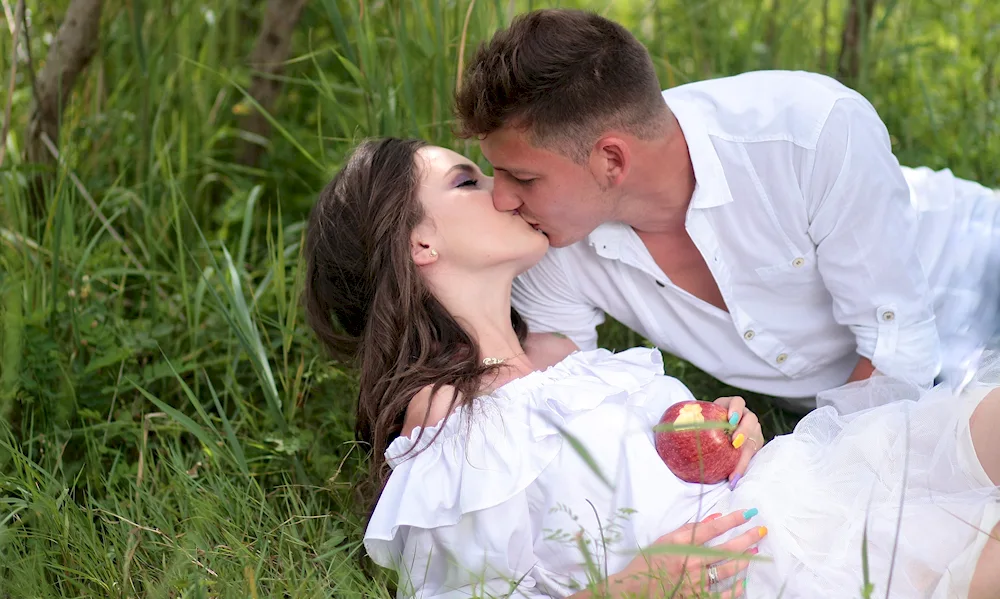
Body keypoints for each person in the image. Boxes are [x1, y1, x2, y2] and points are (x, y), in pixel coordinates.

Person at [303, 137, 1000, 598]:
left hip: (800, 483)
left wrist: (730, 433)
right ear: (418, 241)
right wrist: (633, 586)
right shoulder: (444, 436)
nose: (504, 191)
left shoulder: (568, 359)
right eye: (467, 180)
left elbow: (667, 466)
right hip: (763, 569)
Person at [453, 9, 1000, 412]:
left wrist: (795, 467)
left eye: (523, 177)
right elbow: (569, 397)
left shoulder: (809, 133)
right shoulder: (548, 240)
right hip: (902, 398)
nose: (501, 199)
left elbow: (898, 354)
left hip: (978, 273)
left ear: (610, 160)